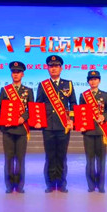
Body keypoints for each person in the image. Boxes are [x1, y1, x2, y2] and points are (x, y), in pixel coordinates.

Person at [35, 55, 77, 193]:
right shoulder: (43, 85)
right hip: (48, 125)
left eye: (56, 66)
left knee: (62, 156)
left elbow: (73, 103)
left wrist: (71, 120)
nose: (53, 68)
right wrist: (39, 121)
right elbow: (38, 104)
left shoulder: (68, 84)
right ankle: (50, 183)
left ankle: (62, 183)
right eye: (51, 66)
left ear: (61, 68)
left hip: (64, 126)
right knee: (50, 156)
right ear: (48, 68)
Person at [0, 61, 34, 193]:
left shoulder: (28, 91)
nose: (16, 74)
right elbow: (0, 108)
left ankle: (19, 185)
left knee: (20, 158)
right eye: (13, 72)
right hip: (8, 129)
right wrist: (5, 119)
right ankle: (9, 185)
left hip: (21, 129)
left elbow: (30, 109)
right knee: (8, 158)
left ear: (22, 74)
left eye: (18, 72)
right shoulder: (5, 90)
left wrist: (22, 118)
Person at [78, 70, 107, 193]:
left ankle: (101, 185)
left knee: (101, 160)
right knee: (90, 160)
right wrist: (81, 125)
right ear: (88, 82)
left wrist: (104, 117)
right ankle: (91, 185)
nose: (93, 81)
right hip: (88, 131)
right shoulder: (83, 95)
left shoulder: (106, 95)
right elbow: (81, 112)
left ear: (99, 81)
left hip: (101, 131)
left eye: (95, 79)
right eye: (91, 80)